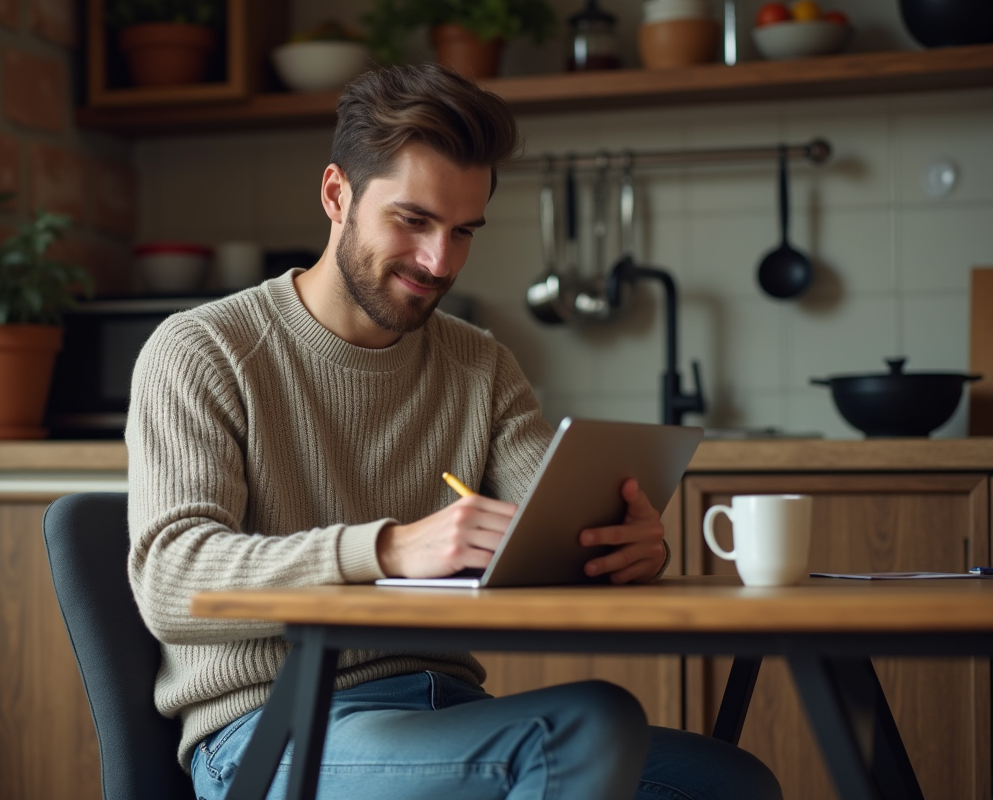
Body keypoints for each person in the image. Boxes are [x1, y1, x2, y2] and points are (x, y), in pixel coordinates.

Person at [126, 63, 781, 800]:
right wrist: (389, 547)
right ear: (337, 194)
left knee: (730, 783)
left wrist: (622, 549)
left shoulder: (479, 363)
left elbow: (546, 529)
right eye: (413, 221)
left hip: (447, 712)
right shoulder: (203, 351)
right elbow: (169, 579)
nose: (440, 261)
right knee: (589, 727)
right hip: (272, 730)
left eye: (463, 230)